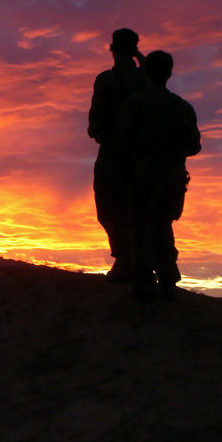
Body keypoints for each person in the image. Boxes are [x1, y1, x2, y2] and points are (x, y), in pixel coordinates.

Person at [119, 51, 201, 301]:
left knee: (141, 224)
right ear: (169, 73)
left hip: (144, 174)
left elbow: (122, 143)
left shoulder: (135, 104)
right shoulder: (182, 107)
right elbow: (194, 146)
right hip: (172, 177)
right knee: (162, 224)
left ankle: (144, 280)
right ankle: (166, 278)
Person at [88, 28, 148, 281]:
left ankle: (125, 260)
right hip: (143, 156)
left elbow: (94, 126)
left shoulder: (107, 80)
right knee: (138, 207)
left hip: (115, 155)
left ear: (112, 49)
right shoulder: (147, 79)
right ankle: (139, 261)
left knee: (109, 206)